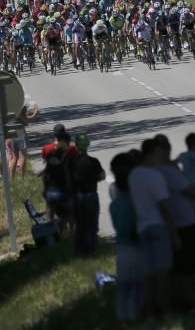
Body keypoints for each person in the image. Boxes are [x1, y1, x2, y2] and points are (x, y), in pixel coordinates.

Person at [154, 135, 195, 311]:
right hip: (185, 222)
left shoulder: (169, 166)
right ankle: (187, 301)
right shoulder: (172, 172)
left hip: (168, 222)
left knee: (177, 266)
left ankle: (180, 301)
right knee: (187, 267)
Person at [129, 139, 180, 319]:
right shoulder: (155, 176)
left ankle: (149, 310)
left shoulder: (134, 175)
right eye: (158, 153)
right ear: (151, 153)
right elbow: (164, 208)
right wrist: (174, 233)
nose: (161, 156)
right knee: (163, 272)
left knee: (148, 272)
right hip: (158, 227)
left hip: (142, 227)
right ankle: (164, 311)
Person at [109, 152, 144, 323]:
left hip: (122, 248)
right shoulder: (135, 203)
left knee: (123, 286)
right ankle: (135, 316)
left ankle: (122, 317)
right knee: (138, 285)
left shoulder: (114, 205)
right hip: (136, 246)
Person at [69, 133, 106, 256]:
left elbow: (67, 178)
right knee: (92, 225)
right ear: (87, 146)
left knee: (80, 225)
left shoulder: (71, 162)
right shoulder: (94, 161)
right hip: (91, 195)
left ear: (77, 146)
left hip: (77, 196)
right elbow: (102, 176)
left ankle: (79, 251)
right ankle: (92, 251)